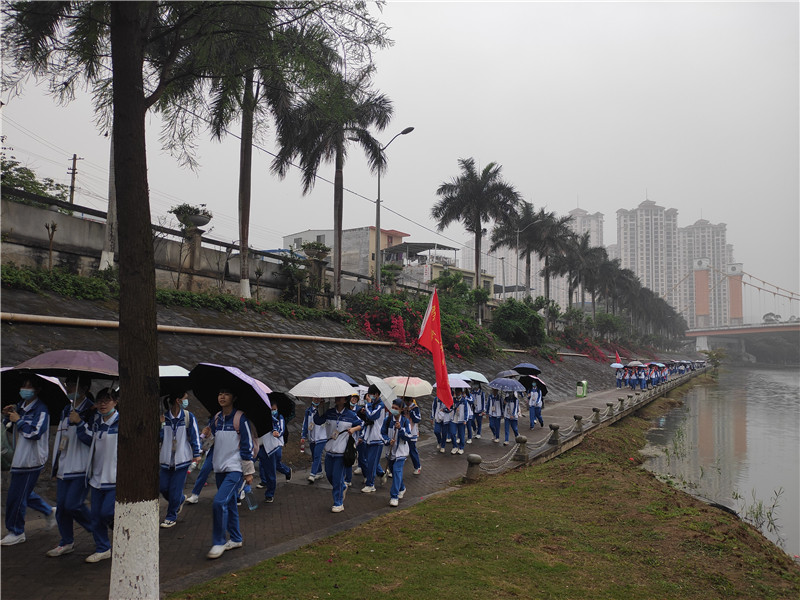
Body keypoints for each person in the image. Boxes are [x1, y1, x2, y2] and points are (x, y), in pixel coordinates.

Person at [1, 376, 56, 546]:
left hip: (31, 460)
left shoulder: (41, 410)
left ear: (37, 390)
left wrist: (19, 420)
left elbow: (35, 433)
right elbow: (10, 429)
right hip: (20, 456)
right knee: (23, 492)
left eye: (29, 387)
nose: (25, 389)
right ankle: (48, 511)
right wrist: (7, 416)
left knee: (15, 497)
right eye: (23, 386)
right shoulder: (20, 407)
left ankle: (16, 531)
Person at [46, 375, 94, 557]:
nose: (70, 388)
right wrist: (56, 465)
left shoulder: (92, 409)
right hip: (64, 467)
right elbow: (60, 439)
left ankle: (97, 531)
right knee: (62, 508)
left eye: (73, 385)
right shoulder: (66, 409)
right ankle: (66, 541)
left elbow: (92, 439)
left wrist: (80, 422)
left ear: (85, 387)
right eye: (68, 385)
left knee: (73, 504)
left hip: (81, 467)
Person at [206, 388, 256, 559]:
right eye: (219, 393)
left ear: (234, 397)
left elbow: (247, 444)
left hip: (235, 468)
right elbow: (212, 439)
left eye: (226, 393)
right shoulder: (217, 418)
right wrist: (206, 435)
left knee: (219, 502)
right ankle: (236, 538)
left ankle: (219, 541)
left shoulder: (240, 418)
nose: (222, 396)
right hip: (219, 467)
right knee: (230, 504)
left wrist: (248, 472)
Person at [76, 386, 119, 563]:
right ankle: (103, 548)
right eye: (100, 400)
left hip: (115, 477)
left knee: (107, 513)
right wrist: (79, 422)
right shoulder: (96, 422)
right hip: (97, 476)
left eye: (107, 400)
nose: (103, 404)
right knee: (95, 516)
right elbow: (87, 439)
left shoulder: (122, 422)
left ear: (115, 402)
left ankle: (123, 530)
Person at [158, 390, 201, 528]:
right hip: (166, 460)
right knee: (163, 487)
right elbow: (159, 438)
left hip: (182, 459)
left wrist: (197, 453)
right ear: (178, 400)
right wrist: (162, 425)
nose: (187, 400)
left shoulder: (188, 417)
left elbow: (194, 435)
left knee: (175, 490)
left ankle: (171, 516)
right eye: (185, 398)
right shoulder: (164, 418)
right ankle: (180, 500)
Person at [313, 395, 362, 512]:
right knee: (329, 475)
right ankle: (342, 486)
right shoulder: (329, 412)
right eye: (336, 398)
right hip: (330, 450)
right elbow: (317, 421)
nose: (337, 399)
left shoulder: (351, 415)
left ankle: (338, 502)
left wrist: (353, 430)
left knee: (337, 477)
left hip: (342, 451)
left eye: (340, 398)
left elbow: (361, 424)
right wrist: (317, 408)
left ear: (345, 400)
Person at [381, 399, 414, 507]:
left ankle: (394, 496)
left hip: (401, 452)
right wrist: (387, 441)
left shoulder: (405, 421)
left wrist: (401, 429)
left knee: (397, 470)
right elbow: (382, 433)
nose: (394, 410)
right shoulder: (387, 420)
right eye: (393, 408)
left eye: (396, 408)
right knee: (395, 472)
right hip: (390, 452)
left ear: (401, 410)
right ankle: (402, 488)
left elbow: (408, 436)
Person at [359, 385, 386, 494]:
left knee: (371, 462)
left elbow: (372, 416)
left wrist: (368, 405)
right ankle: (380, 474)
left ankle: (370, 484)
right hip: (369, 437)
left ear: (376, 395)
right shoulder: (374, 405)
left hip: (377, 438)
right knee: (368, 460)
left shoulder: (380, 405)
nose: (369, 397)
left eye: (371, 394)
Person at [257, 406, 287, 503]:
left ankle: (269, 494)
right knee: (244, 470)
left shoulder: (275, 418)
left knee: (270, 471)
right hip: (254, 446)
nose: (273, 411)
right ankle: (239, 494)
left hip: (269, 447)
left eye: (274, 409)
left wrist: (275, 430)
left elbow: (278, 426)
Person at [185, 423, 214, 504]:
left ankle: (239, 492)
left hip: (227, 453)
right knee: (204, 471)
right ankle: (195, 494)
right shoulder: (215, 420)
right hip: (213, 450)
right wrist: (204, 435)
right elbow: (205, 436)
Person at [300, 398, 326, 483]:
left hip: (321, 437)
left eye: (319, 398)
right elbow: (305, 423)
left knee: (317, 455)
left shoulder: (324, 410)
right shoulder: (308, 411)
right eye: (315, 398)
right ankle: (319, 472)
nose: (316, 400)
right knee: (314, 455)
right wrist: (303, 435)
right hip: (312, 437)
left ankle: (312, 474)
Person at [402, 397, 422, 474]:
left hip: (412, 431)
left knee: (412, 450)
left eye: (407, 401)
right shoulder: (403, 407)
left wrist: (411, 412)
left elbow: (417, 419)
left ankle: (417, 466)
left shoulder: (415, 408)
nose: (406, 403)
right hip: (405, 430)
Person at [451, 389, 468, 455]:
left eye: (458, 392)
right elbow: (450, 408)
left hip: (461, 419)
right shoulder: (453, 400)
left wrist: (465, 419)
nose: (457, 393)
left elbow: (466, 411)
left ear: (461, 392)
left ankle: (461, 448)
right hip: (454, 419)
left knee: (461, 434)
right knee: (452, 433)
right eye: (456, 392)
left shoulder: (464, 401)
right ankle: (455, 446)